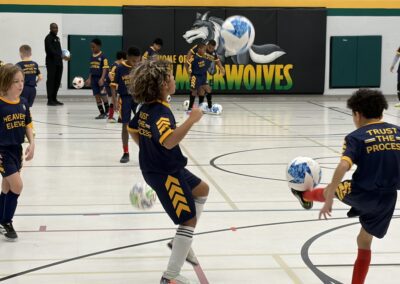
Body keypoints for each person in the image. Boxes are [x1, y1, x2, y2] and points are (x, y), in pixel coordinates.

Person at [291, 89, 400, 284]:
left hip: (361, 193)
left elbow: (343, 165)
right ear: (382, 112)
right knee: (364, 241)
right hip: (388, 199)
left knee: (333, 189)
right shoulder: (398, 132)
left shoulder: (356, 137)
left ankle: (304, 195)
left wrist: (330, 195)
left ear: (357, 114)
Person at [128, 60, 209, 284]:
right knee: (188, 220)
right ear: (164, 84)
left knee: (202, 189)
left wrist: (147, 149)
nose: (174, 80)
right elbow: (168, 141)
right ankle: (171, 276)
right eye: (171, 77)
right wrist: (191, 120)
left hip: (166, 167)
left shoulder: (147, 107)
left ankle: (181, 243)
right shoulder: (162, 113)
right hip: (166, 173)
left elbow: (131, 128)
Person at [0, 64, 35, 241]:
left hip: (16, 149)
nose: (20, 85)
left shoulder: (23, 103)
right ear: (5, 83)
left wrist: (32, 143)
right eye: (16, 82)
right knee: (17, 185)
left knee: (7, 186)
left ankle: (1, 218)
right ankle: (6, 222)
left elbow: (27, 123)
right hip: (2, 151)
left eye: (22, 81)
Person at [110, 47, 140, 163]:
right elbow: (113, 86)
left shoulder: (139, 67)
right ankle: (125, 152)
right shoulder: (120, 68)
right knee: (125, 126)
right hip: (125, 99)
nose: (135, 63)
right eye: (133, 61)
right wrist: (114, 101)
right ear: (127, 57)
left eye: (137, 61)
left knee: (143, 126)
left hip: (138, 99)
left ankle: (146, 152)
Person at [186, 40, 225, 112]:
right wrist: (188, 69)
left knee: (204, 90)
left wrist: (221, 68)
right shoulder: (200, 48)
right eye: (210, 48)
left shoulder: (213, 53)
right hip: (196, 74)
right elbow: (190, 54)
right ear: (207, 45)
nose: (211, 50)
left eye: (213, 48)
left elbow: (217, 60)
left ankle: (203, 107)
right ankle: (190, 108)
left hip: (203, 74)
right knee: (194, 91)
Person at [85, 38, 110, 119]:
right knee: (97, 96)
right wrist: (89, 79)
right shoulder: (92, 56)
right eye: (91, 47)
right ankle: (101, 113)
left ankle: (107, 112)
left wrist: (102, 78)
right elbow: (91, 69)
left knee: (103, 96)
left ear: (99, 46)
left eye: (94, 47)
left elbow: (105, 68)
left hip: (101, 80)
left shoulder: (103, 57)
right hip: (93, 80)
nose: (92, 49)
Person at [44, 23, 67, 106]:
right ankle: (49, 100)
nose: (56, 29)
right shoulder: (48, 38)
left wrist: (65, 55)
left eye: (57, 28)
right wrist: (59, 55)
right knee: (51, 81)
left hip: (59, 63)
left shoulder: (57, 38)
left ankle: (54, 98)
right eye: (54, 28)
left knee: (57, 81)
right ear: (50, 28)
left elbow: (59, 50)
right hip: (51, 63)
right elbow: (50, 51)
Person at [106, 51, 127, 123]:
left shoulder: (117, 65)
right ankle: (110, 117)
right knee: (113, 100)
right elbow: (110, 74)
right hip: (112, 86)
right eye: (124, 60)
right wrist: (114, 82)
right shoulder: (115, 65)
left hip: (116, 86)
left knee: (118, 101)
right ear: (121, 59)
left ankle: (119, 117)